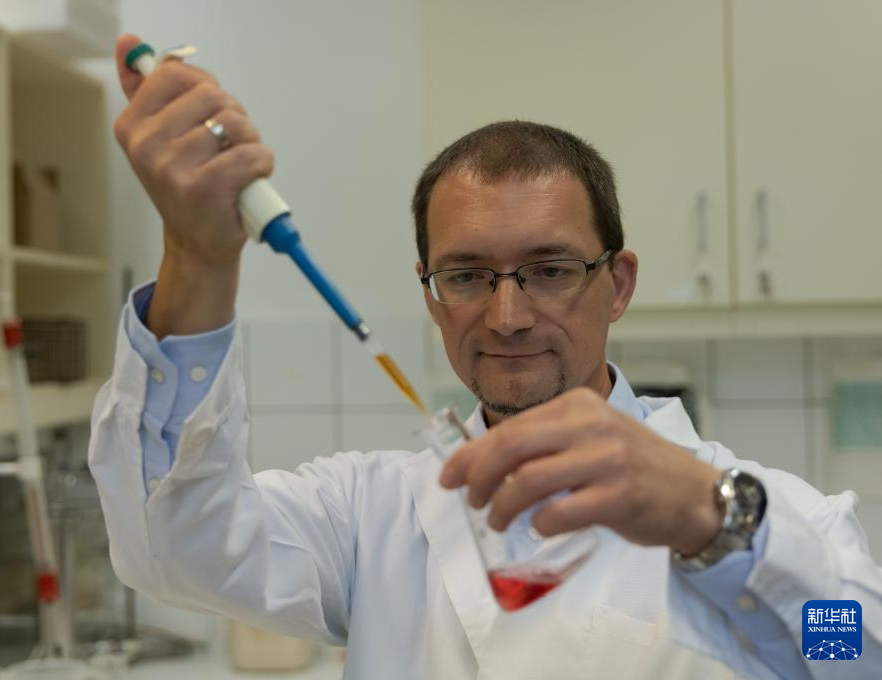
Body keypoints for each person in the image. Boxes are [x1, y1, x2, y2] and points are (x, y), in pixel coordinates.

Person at [89, 34, 881, 679]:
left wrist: (715, 521)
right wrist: (197, 254)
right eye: (467, 276)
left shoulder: (763, 510)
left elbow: (856, 654)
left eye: (550, 270)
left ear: (618, 284)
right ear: (432, 294)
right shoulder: (372, 517)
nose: (507, 317)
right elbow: (172, 546)